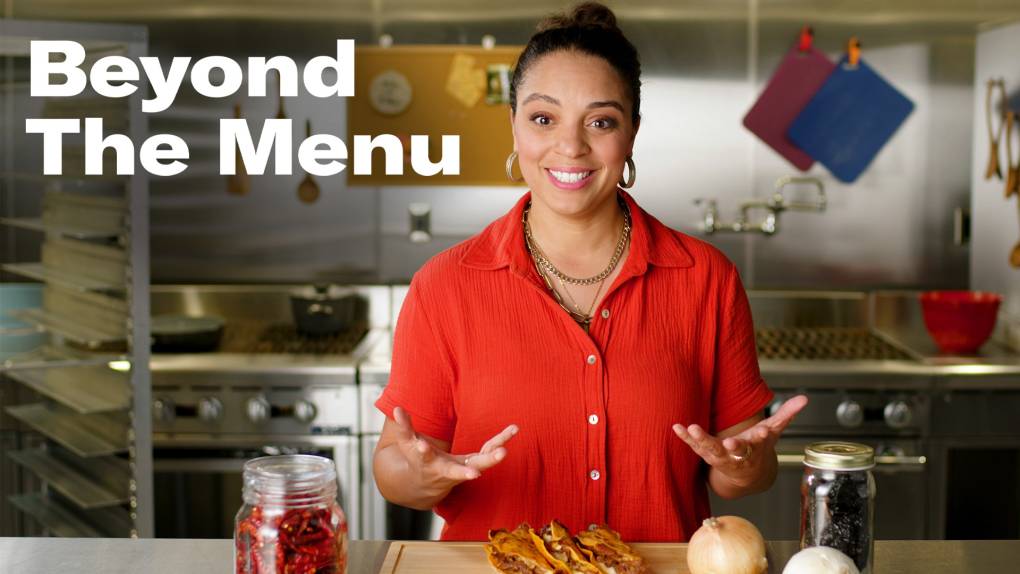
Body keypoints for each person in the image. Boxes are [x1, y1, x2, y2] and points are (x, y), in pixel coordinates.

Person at [373, 1, 807, 542]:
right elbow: (393, 469)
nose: (571, 146)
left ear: (632, 134)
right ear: (513, 127)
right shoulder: (445, 285)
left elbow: (745, 470)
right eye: (543, 118)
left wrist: (745, 464)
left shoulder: (705, 278)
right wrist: (418, 476)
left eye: (601, 121)